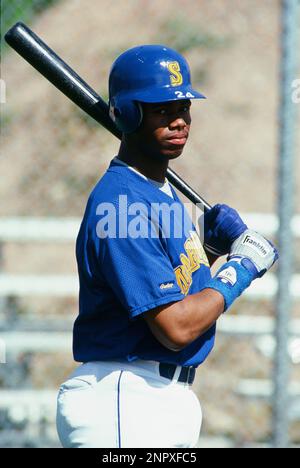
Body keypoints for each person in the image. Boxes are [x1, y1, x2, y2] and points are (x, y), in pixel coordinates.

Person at [56, 45, 278, 448]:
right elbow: (176, 327)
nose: (179, 122)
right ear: (126, 114)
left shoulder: (157, 195)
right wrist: (240, 269)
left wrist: (208, 252)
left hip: (154, 397)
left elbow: (179, 290)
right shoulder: (120, 205)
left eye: (183, 108)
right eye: (161, 110)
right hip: (126, 396)